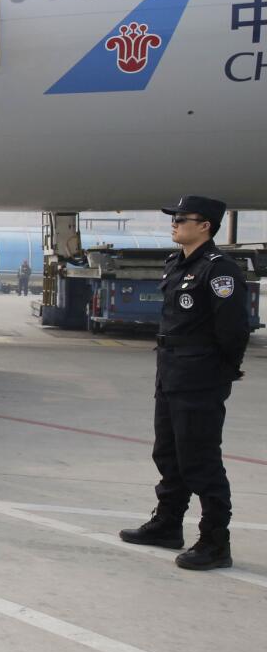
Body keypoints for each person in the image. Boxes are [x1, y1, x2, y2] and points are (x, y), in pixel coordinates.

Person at [119, 195, 250, 571]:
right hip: (171, 370)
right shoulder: (177, 262)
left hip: (200, 375)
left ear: (205, 225)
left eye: (181, 218)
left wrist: (222, 371)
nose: (174, 223)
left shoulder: (219, 270)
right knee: (168, 452)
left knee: (201, 459)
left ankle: (214, 541)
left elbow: (233, 330)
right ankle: (168, 523)